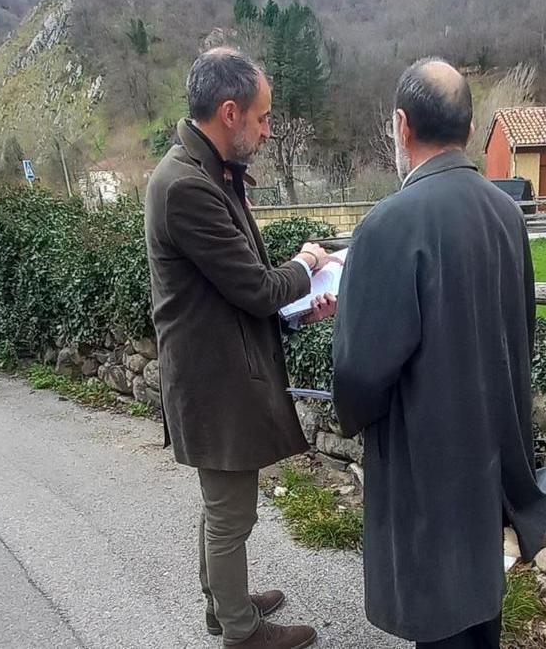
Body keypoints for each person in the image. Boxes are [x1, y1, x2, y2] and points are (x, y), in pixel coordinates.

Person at [332, 58, 546, 648]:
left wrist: (354, 416)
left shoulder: (389, 224)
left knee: (438, 615)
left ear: (402, 126)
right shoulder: (506, 215)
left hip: (424, 456)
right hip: (489, 447)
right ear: (466, 125)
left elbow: (360, 369)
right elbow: (520, 330)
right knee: (479, 607)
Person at [144, 47, 333, 649]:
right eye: (262, 117)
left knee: (222, 508)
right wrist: (306, 266)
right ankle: (240, 631)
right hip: (213, 380)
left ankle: (223, 607)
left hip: (218, 368)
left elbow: (235, 287)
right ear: (230, 112)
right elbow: (252, 287)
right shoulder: (185, 188)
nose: (268, 129)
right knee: (231, 514)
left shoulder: (205, 175)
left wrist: (299, 308)